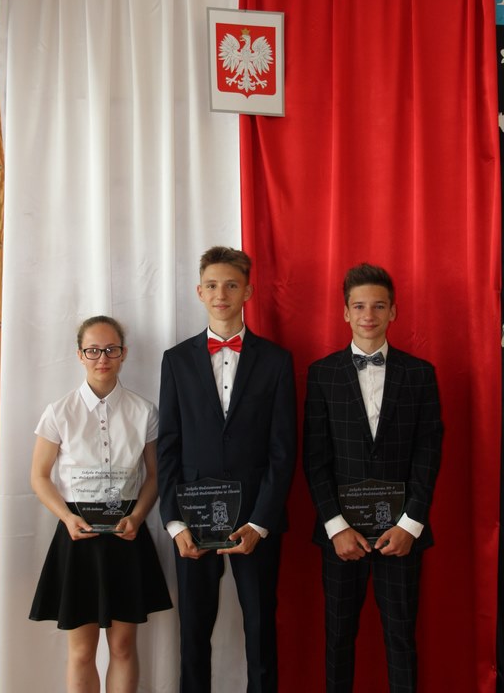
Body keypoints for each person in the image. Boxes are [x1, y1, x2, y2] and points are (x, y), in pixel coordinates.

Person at [157, 245, 296, 693]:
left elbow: (282, 450)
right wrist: (175, 523)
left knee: (261, 628)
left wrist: (261, 522)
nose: (222, 294)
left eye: (231, 285)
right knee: (194, 632)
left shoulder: (277, 360)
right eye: (213, 285)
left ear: (248, 292)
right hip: (193, 522)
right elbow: (169, 447)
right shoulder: (176, 360)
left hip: (255, 519)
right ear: (199, 292)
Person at [303, 263, 443, 693]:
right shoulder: (322, 373)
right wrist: (336, 527)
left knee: (401, 638)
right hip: (342, 535)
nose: (369, 315)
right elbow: (315, 458)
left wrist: (410, 526)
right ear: (345, 312)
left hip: (400, 533)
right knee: (338, 639)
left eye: (379, 306)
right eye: (360, 306)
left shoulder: (420, 374)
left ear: (393, 311)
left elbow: (429, 454)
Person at [29, 315, 172, 693]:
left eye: (111, 349)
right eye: (93, 350)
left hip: (128, 533)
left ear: (124, 353)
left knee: (123, 646)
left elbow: (154, 476)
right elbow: (39, 476)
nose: (102, 358)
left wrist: (138, 516)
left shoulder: (145, 411)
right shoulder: (59, 412)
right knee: (81, 651)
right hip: (77, 535)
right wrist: (66, 517)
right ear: (80, 355)